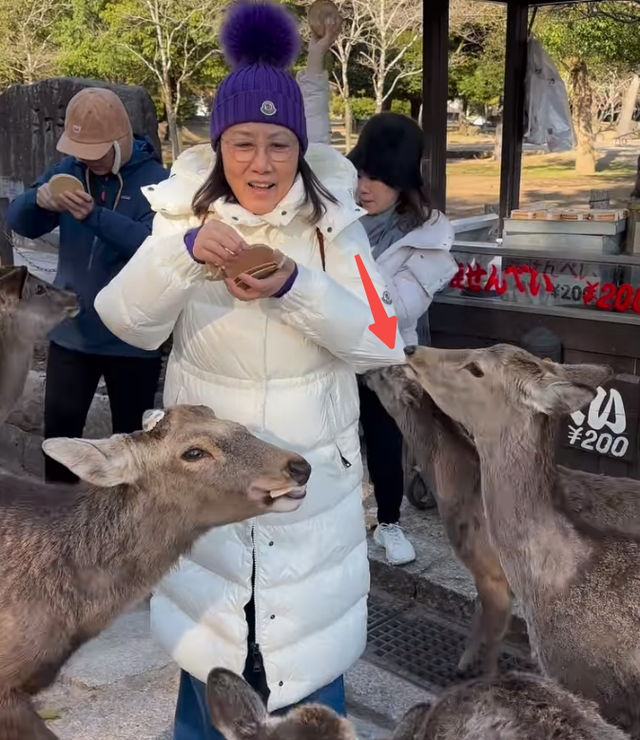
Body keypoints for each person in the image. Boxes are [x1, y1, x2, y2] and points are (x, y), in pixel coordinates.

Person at [92, 1, 405, 737]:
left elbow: (382, 339)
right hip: (207, 495)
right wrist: (183, 254)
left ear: (299, 146)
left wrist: (298, 288)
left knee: (307, 678)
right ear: (218, 143)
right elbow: (123, 322)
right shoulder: (180, 217)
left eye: (277, 144)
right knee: (212, 676)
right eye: (242, 143)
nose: (261, 164)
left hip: (311, 495)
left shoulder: (334, 228)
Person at [297, 23, 458, 567]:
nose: (363, 187)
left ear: (404, 182)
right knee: (321, 437)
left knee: (383, 441)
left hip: (382, 354)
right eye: (360, 174)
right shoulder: (341, 203)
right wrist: (317, 58)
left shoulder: (430, 238)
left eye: (378, 179)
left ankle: (388, 523)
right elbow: (313, 140)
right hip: (323, 344)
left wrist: (351, 265)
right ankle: (318, 520)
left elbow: (400, 311)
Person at [6, 87, 169, 483]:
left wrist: (94, 216)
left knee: (132, 447)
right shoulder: (69, 170)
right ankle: (56, 521)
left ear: (120, 141)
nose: (86, 159)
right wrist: (37, 202)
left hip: (132, 339)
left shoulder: (158, 182)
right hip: (72, 334)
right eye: (80, 150)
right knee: (60, 441)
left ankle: (127, 530)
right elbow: (20, 221)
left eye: (94, 151)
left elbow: (153, 249)